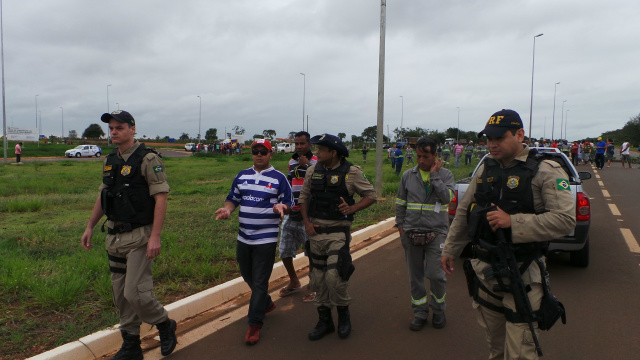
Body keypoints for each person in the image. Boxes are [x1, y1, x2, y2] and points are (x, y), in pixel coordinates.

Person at [441, 109, 575, 360]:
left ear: (520, 135)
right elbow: (463, 211)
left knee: (521, 353)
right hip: (486, 273)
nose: (491, 144)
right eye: (488, 139)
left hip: (522, 274)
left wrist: (512, 222)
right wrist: (450, 248)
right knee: (496, 348)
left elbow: (565, 220)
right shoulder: (485, 169)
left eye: (499, 138)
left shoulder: (546, 170)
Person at [81, 110, 177, 360]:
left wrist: (155, 236)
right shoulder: (111, 159)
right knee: (120, 294)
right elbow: (104, 196)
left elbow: (161, 198)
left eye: (119, 127)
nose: (114, 132)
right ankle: (131, 344)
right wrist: (90, 225)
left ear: (133, 129)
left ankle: (164, 323)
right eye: (111, 128)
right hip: (114, 236)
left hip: (139, 236)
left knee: (135, 292)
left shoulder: (148, 159)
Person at [215, 139, 293, 345]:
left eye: (263, 151)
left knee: (259, 281)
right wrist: (227, 210)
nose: (259, 155)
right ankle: (266, 302)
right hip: (244, 236)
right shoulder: (242, 176)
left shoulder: (279, 178)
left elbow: (289, 202)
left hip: (266, 238)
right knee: (247, 275)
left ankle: (255, 324)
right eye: (255, 151)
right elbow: (233, 198)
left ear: (271, 154)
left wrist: (281, 208)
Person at [299, 133, 376, 341]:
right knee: (318, 280)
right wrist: (306, 222)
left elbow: (371, 195)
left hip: (338, 233)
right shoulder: (313, 170)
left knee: (335, 276)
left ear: (333, 152)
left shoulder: (351, 172)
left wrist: (352, 208)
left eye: (321, 150)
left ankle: (343, 315)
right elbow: (304, 197)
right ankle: (325, 321)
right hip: (315, 233)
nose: (317, 153)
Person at [395, 137, 454, 331]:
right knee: (416, 276)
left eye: (425, 156)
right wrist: (401, 227)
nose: (421, 160)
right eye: (419, 156)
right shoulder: (407, 176)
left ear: (435, 156)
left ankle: (438, 310)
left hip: (436, 233)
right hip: (411, 232)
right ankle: (420, 312)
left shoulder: (446, 175)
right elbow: (401, 203)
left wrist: (435, 176)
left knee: (436, 275)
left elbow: (446, 198)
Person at [278, 131, 318, 303]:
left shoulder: (316, 161)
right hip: (292, 211)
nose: (300, 147)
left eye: (303, 143)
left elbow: (319, 181)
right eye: (297, 144)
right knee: (284, 249)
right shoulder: (291, 161)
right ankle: (294, 281)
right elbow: (289, 184)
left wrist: (308, 165)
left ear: (310, 144)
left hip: (309, 214)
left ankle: (312, 285)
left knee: (312, 252)